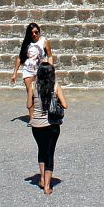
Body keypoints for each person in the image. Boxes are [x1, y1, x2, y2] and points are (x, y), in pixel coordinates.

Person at [27, 59, 68, 194]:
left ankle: (43, 179)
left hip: (36, 124)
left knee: (41, 150)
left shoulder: (33, 86)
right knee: (50, 153)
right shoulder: (56, 86)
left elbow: (28, 105)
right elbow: (65, 105)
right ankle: (47, 186)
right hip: (51, 124)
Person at [10, 22, 53, 98]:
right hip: (28, 71)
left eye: (36, 32)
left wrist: (50, 69)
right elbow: (20, 58)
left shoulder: (44, 41)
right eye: (32, 33)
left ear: (39, 32)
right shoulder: (26, 43)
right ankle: (31, 110)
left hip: (41, 71)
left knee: (41, 94)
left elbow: (49, 56)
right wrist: (14, 73)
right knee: (31, 95)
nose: (34, 34)